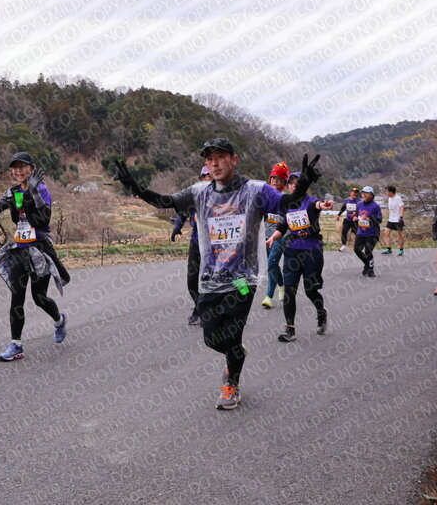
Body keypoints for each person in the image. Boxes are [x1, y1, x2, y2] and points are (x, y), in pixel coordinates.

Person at [113, 140, 321, 410]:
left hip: (242, 279)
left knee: (232, 334)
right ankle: (236, 355)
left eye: (220, 157)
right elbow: (166, 202)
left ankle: (231, 385)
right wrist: (134, 186)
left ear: (234, 159)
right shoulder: (199, 192)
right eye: (210, 159)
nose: (215, 163)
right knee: (211, 338)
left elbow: (288, 203)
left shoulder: (256, 190)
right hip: (210, 278)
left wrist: (303, 184)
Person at [0, 152, 70, 361]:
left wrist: (34, 192)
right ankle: (16, 345)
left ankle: (59, 320)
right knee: (17, 296)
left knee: (39, 297)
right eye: (14, 167)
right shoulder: (12, 192)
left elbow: (43, 219)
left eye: (22, 166)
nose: (18, 171)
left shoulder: (41, 189)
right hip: (20, 249)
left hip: (39, 249)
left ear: (31, 169)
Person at [267, 172, 334, 341]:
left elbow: (317, 205)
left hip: (311, 251)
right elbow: (282, 226)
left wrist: (323, 205)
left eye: (297, 183)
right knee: (289, 290)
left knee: (311, 290)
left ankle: (321, 313)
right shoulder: (288, 204)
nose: (293, 185)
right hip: (292, 251)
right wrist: (273, 237)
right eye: (290, 183)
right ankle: (290, 329)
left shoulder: (310, 201)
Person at [172, 166, 212, 325]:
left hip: (215, 246)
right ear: (201, 179)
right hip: (196, 242)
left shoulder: (222, 196)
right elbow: (183, 211)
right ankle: (199, 308)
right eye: (206, 176)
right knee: (192, 281)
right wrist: (177, 227)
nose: (209, 178)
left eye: (211, 175)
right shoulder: (195, 195)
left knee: (211, 280)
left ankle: (207, 312)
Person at [261, 161, 291, 309]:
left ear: (284, 182)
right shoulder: (263, 197)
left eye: (279, 179)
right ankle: (281, 285)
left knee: (272, 264)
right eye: (273, 178)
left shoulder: (284, 199)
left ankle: (268, 296)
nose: (275, 181)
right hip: (266, 236)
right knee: (272, 265)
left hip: (280, 237)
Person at [354, 186, 382, 277]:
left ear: (371, 195)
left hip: (372, 233)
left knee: (368, 251)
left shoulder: (376, 206)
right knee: (357, 249)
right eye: (363, 193)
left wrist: (369, 218)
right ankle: (367, 264)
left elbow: (379, 220)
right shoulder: (359, 204)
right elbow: (357, 215)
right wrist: (355, 218)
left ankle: (370, 269)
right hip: (361, 232)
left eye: (366, 193)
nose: (364, 194)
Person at [382, 185, 405, 256]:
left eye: (387, 191)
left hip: (398, 220)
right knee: (386, 233)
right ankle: (389, 249)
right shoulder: (389, 198)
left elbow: (402, 207)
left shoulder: (398, 198)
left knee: (399, 235)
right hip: (391, 219)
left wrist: (401, 217)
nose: (386, 193)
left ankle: (401, 250)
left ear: (391, 192)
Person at [336, 187, 360, 252]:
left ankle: (359, 246)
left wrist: (355, 213)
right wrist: (338, 215)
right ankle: (343, 245)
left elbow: (361, 209)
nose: (354, 193)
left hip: (355, 220)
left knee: (357, 233)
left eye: (356, 192)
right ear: (350, 193)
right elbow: (343, 208)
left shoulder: (359, 201)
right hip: (348, 220)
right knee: (344, 231)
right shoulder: (346, 200)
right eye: (353, 192)